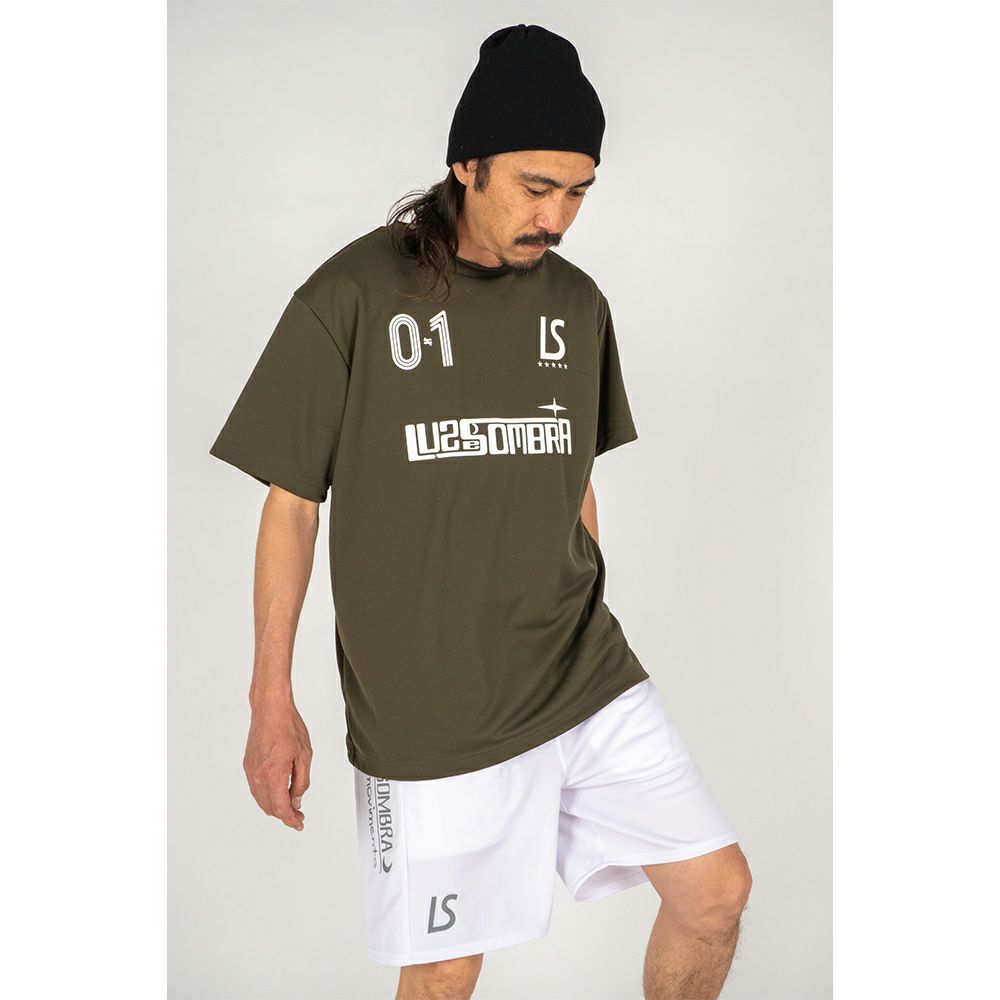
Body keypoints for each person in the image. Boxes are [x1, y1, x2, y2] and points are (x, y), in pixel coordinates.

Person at [209, 22, 752, 1000]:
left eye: (578, 191)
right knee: (447, 968)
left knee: (716, 892)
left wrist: (583, 602)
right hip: (433, 705)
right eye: (537, 186)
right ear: (467, 164)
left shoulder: (576, 305)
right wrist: (270, 699)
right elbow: (291, 506)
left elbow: (572, 477)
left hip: (578, 669)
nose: (558, 215)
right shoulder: (351, 296)